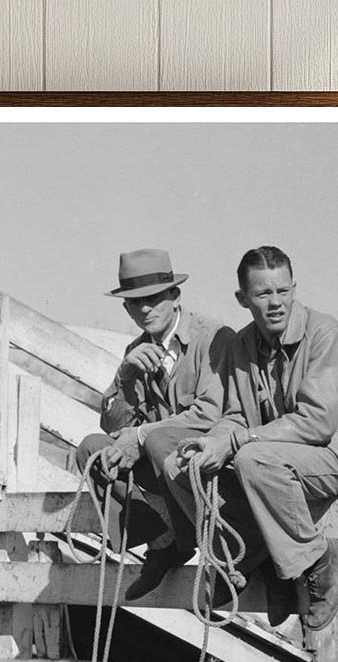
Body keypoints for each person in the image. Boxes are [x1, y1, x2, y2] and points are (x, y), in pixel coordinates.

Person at [162, 245, 338, 629]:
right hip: (283, 455)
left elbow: (317, 423)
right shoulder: (242, 344)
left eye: (283, 291)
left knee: (253, 459)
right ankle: (254, 558)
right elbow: (236, 415)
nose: (276, 303)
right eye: (263, 293)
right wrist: (214, 441)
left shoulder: (326, 335)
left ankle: (319, 559)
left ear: (294, 289)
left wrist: (237, 441)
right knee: (180, 465)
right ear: (242, 299)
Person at [75, 248, 235, 601]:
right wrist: (125, 376)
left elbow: (211, 414)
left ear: (175, 296)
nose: (145, 309)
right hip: (161, 468)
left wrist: (141, 434)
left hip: (205, 464)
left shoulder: (213, 338)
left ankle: (205, 548)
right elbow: (114, 425)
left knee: (154, 443)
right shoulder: (137, 350)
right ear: (126, 309)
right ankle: (165, 543)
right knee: (92, 449)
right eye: (136, 302)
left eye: (154, 298)